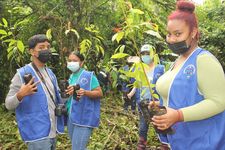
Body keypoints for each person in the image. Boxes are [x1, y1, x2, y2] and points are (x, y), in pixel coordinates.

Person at [153, 1, 225, 149]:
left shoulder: (203, 60)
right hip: (179, 141)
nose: (171, 39)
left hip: (202, 142)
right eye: (169, 34)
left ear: (193, 32)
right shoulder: (177, 62)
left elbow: (219, 102)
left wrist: (178, 115)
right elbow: (177, 97)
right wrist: (159, 107)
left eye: (178, 34)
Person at [5, 34, 73, 150]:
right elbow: (8, 104)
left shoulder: (50, 73)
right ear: (32, 51)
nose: (46, 50)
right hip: (36, 133)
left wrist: (66, 93)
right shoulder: (22, 74)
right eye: (41, 47)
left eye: (48, 47)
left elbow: (56, 100)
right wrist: (21, 94)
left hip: (52, 131)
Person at [66, 51, 103, 150]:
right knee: (77, 146)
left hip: (84, 117)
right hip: (72, 116)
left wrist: (85, 92)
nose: (71, 63)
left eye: (75, 60)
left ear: (81, 63)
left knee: (78, 148)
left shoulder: (88, 76)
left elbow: (99, 93)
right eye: (69, 60)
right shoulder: (71, 77)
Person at [137, 44, 165, 150]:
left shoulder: (160, 68)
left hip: (156, 102)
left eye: (147, 53)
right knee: (143, 126)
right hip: (143, 102)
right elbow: (138, 85)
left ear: (153, 54)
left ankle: (165, 144)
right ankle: (141, 144)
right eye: (143, 54)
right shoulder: (140, 69)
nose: (145, 56)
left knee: (160, 125)